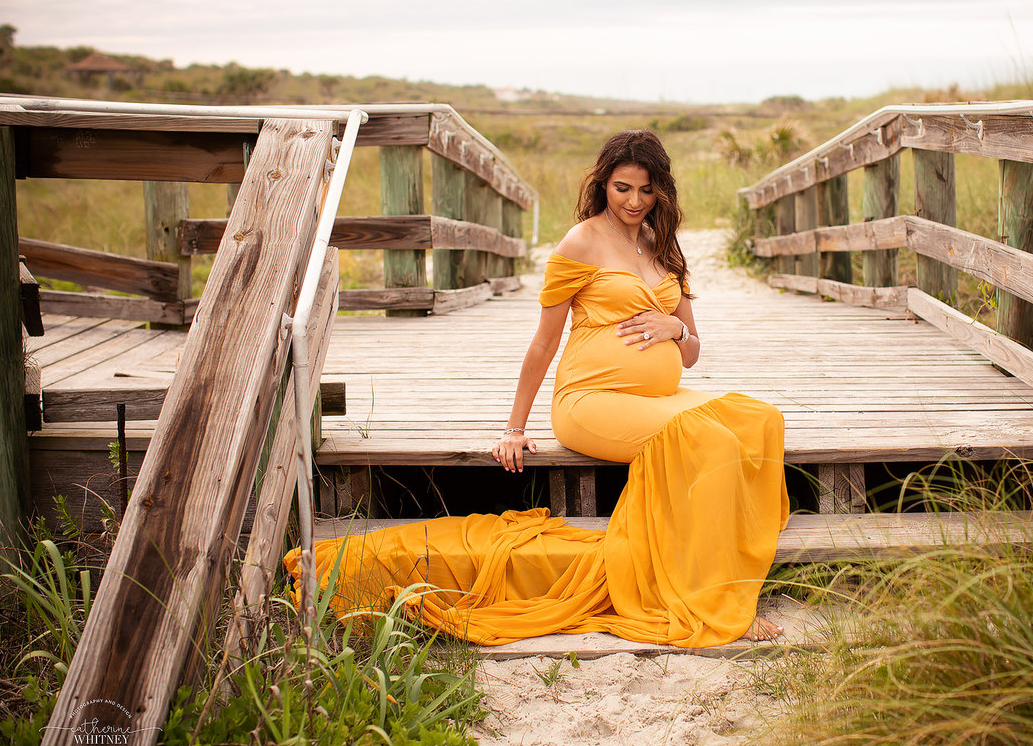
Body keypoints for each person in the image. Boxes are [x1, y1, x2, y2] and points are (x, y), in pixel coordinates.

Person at [286, 130, 789, 646]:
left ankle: (730, 552)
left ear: (662, 190)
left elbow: (692, 351)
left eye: (646, 190)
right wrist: (514, 426)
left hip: (658, 399)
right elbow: (544, 343)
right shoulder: (581, 241)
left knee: (761, 419)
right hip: (592, 401)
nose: (635, 202)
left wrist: (676, 328)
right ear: (602, 186)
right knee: (714, 442)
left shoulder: (662, 245)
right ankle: (713, 595)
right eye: (622, 189)